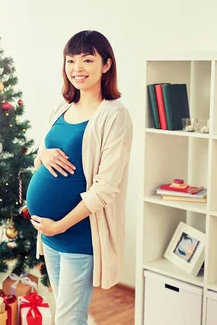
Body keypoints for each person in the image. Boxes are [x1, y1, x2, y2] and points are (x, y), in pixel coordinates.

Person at [25, 30, 132, 325]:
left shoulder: (114, 115)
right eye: (70, 60)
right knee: (66, 312)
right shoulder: (63, 108)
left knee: (69, 318)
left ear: (106, 65)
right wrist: (42, 154)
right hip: (51, 234)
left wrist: (59, 226)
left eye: (87, 59)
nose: (77, 68)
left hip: (78, 234)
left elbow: (106, 188)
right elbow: (42, 155)